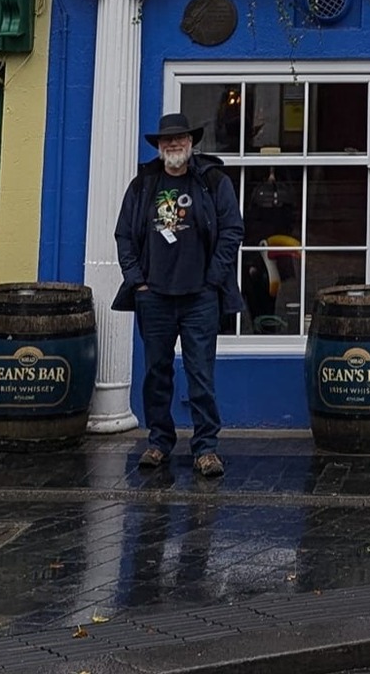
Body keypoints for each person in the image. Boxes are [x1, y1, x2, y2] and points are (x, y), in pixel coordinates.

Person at [113, 111, 246, 476]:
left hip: (199, 297)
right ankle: (158, 442)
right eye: (167, 140)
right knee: (156, 373)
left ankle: (206, 448)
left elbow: (233, 230)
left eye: (180, 139)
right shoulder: (143, 186)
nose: (174, 144)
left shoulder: (213, 181)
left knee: (200, 374)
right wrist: (136, 279)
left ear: (191, 143)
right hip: (153, 296)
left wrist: (213, 279)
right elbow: (124, 234)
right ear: (158, 146)